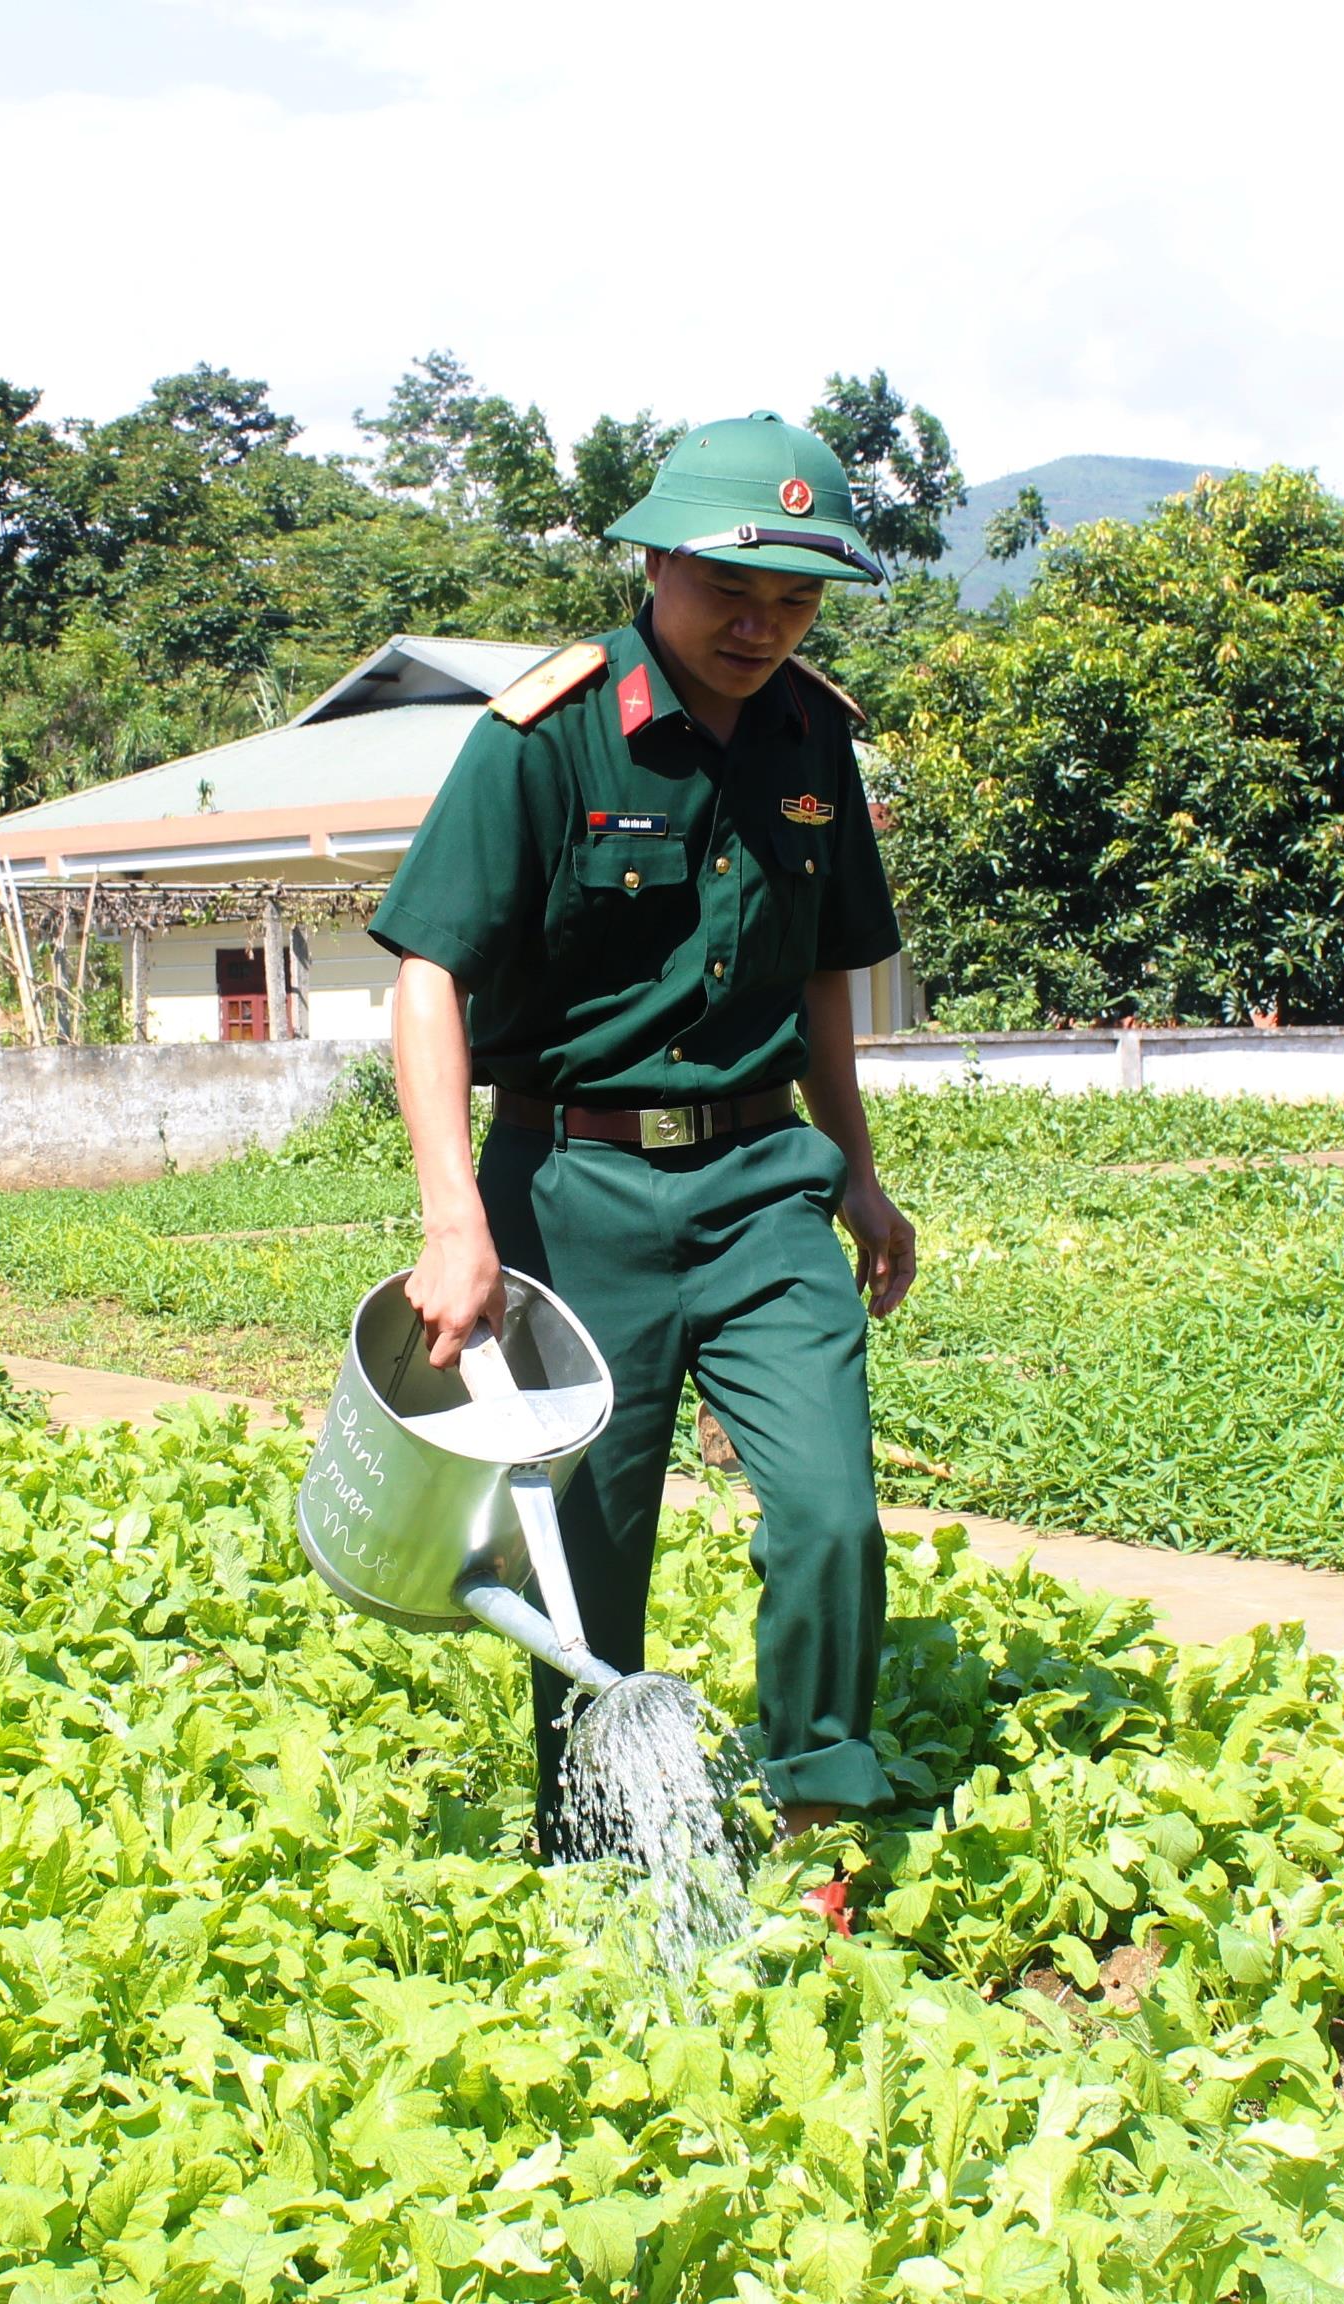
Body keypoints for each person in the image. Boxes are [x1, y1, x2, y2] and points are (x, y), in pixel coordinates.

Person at [367, 410, 917, 1851]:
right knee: (589, 1557)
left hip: (763, 1186)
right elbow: (428, 975)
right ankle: (590, 1843)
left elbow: (821, 974)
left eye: (794, 599)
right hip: (573, 1190)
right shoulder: (546, 737)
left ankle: (819, 1805)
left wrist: (859, 1174)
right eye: (731, 589)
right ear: (656, 563)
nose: (761, 626)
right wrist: (454, 1220)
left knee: (832, 1513)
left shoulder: (813, 736)